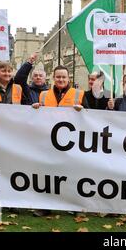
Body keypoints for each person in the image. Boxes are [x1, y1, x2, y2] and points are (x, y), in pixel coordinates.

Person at [31, 65, 84, 217]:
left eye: (64, 77)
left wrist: (83, 110)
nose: (61, 79)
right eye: (58, 77)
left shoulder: (79, 94)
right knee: (47, 175)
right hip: (48, 141)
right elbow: (36, 117)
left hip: (71, 142)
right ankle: (44, 206)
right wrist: (34, 109)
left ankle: (73, 205)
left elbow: (90, 117)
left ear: (69, 79)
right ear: (53, 78)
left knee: (71, 174)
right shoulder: (43, 95)